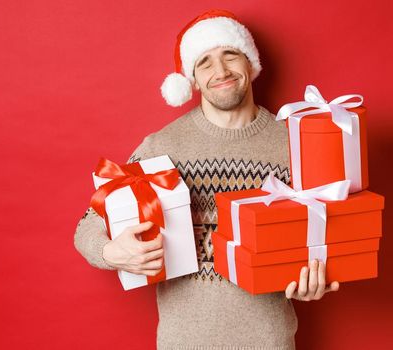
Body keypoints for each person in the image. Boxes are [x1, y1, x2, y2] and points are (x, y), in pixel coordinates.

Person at [73, 9, 339, 350]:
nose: (221, 70)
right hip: (182, 342)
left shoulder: (293, 144)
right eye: (205, 62)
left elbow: (325, 239)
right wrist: (112, 251)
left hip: (269, 341)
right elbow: (88, 227)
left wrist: (316, 278)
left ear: (251, 64)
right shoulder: (162, 147)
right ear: (192, 81)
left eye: (231, 55)